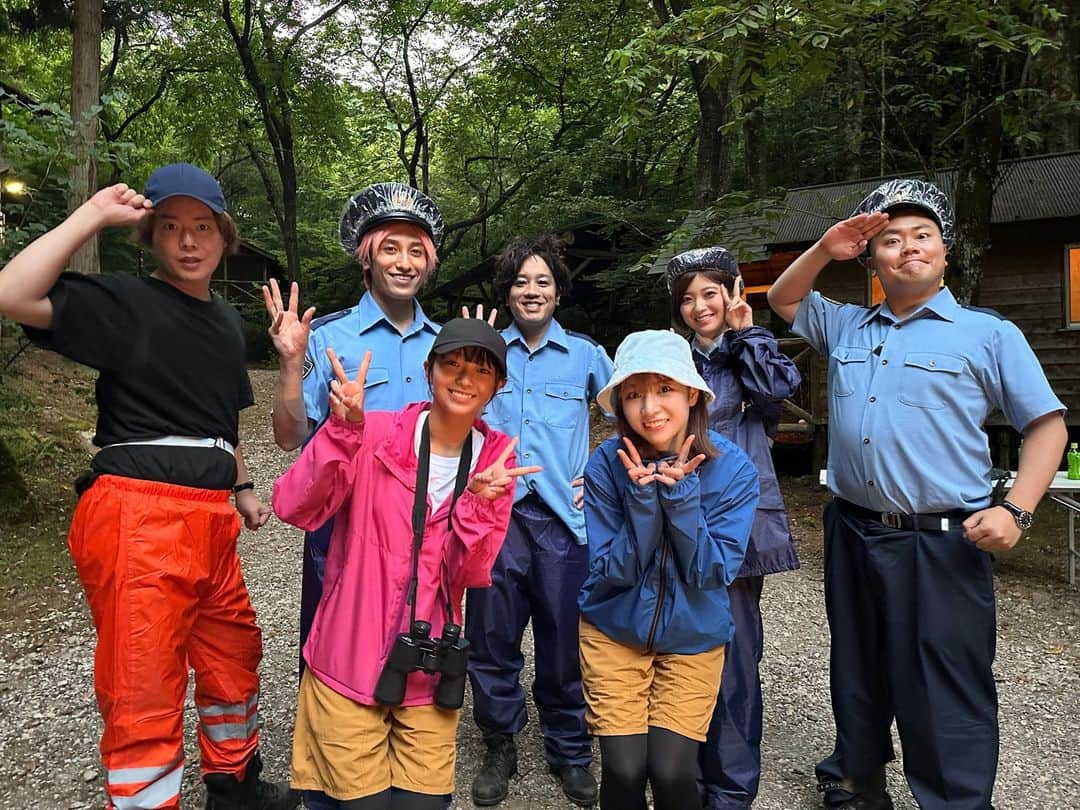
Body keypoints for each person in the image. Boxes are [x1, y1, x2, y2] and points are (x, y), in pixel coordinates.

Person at [0, 163, 298, 809]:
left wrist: (244, 487)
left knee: (233, 654)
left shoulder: (225, 321)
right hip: (138, 516)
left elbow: (223, 421)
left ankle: (234, 783)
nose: (189, 241)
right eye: (171, 227)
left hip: (211, 519)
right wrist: (91, 214)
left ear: (224, 238)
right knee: (143, 684)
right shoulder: (122, 299)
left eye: (202, 228)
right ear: (151, 236)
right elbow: (11, 293)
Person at [766, 179, 1067, 810]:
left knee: (946, 677)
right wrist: (826, 247)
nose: (907, 249)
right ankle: (858, 774)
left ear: (945, 252)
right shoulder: (847, 325)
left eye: (922, 237)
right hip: (852, 526)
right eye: (892, 240)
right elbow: (785, 298)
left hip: (942, 539)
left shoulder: (988, 334)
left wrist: (1017, 509)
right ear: (872, 258)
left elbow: (1046, 425)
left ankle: (954, 799)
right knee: (856, 661)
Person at [272, 318, 540, 809]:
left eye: (480, 371)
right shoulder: (372, 432)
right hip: (347, 654)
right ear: (428, 369)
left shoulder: (495, 464)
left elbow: (466, 575)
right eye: (452, 364)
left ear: (498, 385)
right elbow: (294, 507)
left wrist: (479, 504)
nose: (464, 379)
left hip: (431, 666)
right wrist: (339, 433)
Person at [263, 182, 445, 810]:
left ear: (430, 261)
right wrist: (290, 365)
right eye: (389, 247)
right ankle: (330, 781)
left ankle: (406, 766)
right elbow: (288, 438)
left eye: (415, 250)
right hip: (343, 525)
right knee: (334, 649)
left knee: (421, 638)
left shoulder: (446, 344)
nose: (403, 261)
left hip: (425, 530)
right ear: (366, 256)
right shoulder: (328, 338)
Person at [578, 329, 759, 810]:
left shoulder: (734, 469)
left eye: (664, 389)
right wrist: (642, 502)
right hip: (613, 629)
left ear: (692, 394)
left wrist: (679, 500)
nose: (649, 408)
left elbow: (711, 572)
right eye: (633, 395)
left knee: (673, 771)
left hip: (694, 636)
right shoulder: (605, 465)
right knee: (624, 768)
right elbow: (609, 570)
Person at [464, 235, 612, 808]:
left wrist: (601, 477)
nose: (532, 291)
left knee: (562, 640)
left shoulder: (585, 355)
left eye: (543, 281)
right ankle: (499, 742)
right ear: (507, 292)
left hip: (562, 522)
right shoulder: (486, 353)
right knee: (492, 638)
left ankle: (569, 748)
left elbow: (635, 414)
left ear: (558, 291)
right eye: (521, 282)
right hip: (495, 518)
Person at [666, 247, 801, 809]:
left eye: (710, 294)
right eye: (688, 298)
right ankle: (684, 780)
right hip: (676, 519)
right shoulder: (673, 360)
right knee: (681, 652)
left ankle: (731, 788)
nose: (700, 306)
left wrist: (748, 334)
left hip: (739, 523)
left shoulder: (749, 352)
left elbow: (777, 392)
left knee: (737, 655)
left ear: (732, 293)